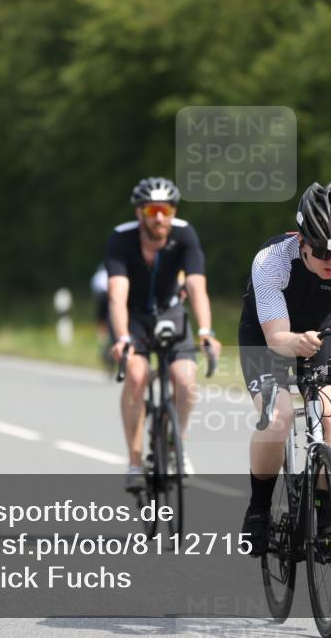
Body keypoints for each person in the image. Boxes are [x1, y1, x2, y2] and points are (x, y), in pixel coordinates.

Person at [238, 182, 331, 556]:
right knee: (279, 416)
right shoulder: (271, 261)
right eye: (320, 252)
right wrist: (294, 342)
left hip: (320, 334)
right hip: (266, 337)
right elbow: (276, 337)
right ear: (302, 240)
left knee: (328, 416)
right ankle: (259, 511)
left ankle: (329, 519)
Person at [106, 177, 222, 491]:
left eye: (166, 209)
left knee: (185, 380)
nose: (160, 216)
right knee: (136, 375)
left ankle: (175, 448)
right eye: (153, 209)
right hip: (133, 318)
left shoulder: (184, 234)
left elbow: (197, 287)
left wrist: (206, 331)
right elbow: (116, 293)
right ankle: (134, 461)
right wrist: (122, 339)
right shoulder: (121, 239)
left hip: (170, 313)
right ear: (139, 212)